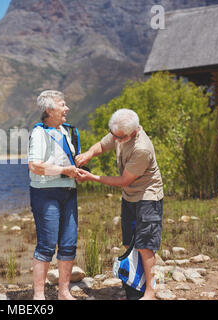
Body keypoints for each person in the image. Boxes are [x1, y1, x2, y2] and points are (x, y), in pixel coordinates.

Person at [75, 109, 163, 300]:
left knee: (145, 245)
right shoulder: (119, 131)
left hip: (148, 196)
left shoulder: (141, 148)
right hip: (130, 197)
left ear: (132, 133)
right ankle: (134, 286)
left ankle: (150, 293)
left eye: (118, 137)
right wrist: (89, 154)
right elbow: (102, 144)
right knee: (128, 243)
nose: (114, 138)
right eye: (112, 134)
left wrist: (92, 177)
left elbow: (124, 180)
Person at [28, 90, 86, 300]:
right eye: (62, 105)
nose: (67, 108)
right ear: (49, 110)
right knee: (46, 244)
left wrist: (76, 168)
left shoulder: (65, 131)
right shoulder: (39, 133)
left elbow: (64, 161)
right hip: (45, 194)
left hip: (68, 192)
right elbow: (34, 166)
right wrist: (64, 170)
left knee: (69, 243)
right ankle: (39, 295)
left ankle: (64, 292)